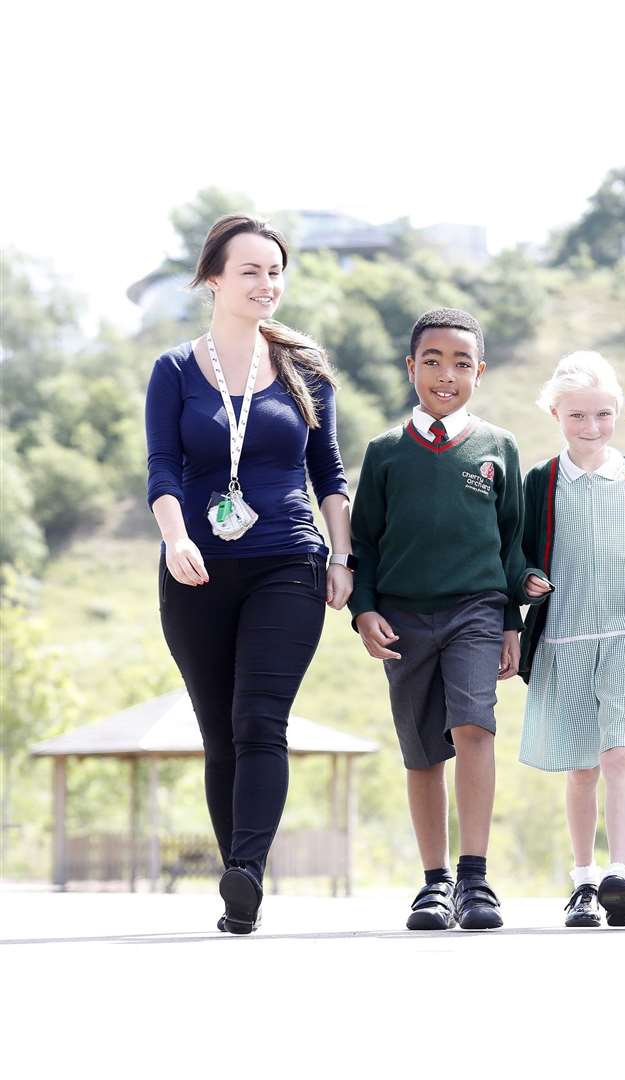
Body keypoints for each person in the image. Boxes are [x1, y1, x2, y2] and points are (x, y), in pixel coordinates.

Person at [146, 214, 351, 934]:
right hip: (196, 569)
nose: (268, 284)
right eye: (251, 271)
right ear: (213, 279)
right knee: (219, 731)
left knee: (260, 719)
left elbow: (328, 472)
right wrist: (175, 539)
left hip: (288, 561)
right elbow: (163, 466)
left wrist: (343, 555)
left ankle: (246, 875)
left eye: (275, 271)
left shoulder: (305, 368)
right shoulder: (174, 369)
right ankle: (241, 876)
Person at [348, 308, 525, 932]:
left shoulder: (498, 447)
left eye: (460, 363)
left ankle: (475, 879)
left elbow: (512, 543)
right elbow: (364, 543)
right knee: (423, 750)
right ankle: (434, 884)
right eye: (432, 361)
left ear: (479, 371)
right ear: (411, 367)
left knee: (475, 726)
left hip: (476, 609)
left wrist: (510, 622)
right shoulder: (385, 452)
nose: (445, 375)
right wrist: (363, 609)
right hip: (402, 619)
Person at [515, 351, 625, 928]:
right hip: (563, 641)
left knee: (619, 755)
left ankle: (621, 873)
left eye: (604, 415)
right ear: (556, 414)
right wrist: (526, 581)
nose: (592, 427)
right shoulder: (540, 482)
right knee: (582, 767)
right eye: (578, 416)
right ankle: (583, 881)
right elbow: (512, 551)